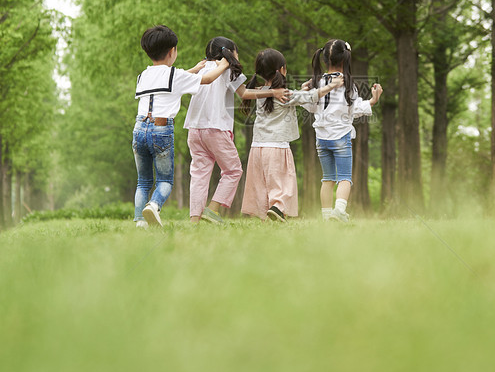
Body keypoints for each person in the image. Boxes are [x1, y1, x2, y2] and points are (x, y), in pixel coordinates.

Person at [132, 25, 230, 229]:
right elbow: (209, 79)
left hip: (139, 128)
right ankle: (154, 205)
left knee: (143, 181)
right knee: (165, 180)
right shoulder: (175, 76)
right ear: (172, 52)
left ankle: (140, 223)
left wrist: (194, 69)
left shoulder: (143, 76)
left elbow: (172, 80)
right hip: (161, 130)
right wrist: (224, 64)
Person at [183, 37, 290, 224]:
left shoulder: (201, 69)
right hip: (215, 129)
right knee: (233, 170)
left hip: (194, 130)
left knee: (199, 175)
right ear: (230, 53)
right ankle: (213, 209)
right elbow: (245, 94)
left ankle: (194, 220)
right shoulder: (228, 70)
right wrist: (273, 92)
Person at [240, 49, 344, 222]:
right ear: (282, 69)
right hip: (277, 146)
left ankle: (268, 213)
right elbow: (311, 96)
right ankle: (278, 208)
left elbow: (291, 95)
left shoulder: (259, 92)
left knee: (263, 183)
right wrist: (331, 85)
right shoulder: (285, 95)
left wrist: (300, 89)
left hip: (257, 147)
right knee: (283, 182)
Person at [302, 39, 382, 223]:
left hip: (321, 138)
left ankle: (326, 217)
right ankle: (339, 211)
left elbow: (311, 107)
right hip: (341, 137)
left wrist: (304, 91)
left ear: (323, 59)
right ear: (346, 58)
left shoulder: (317, 82)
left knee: (327, 179)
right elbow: (354, 111)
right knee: (345, 178)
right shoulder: (348, 84)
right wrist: (372, 101)